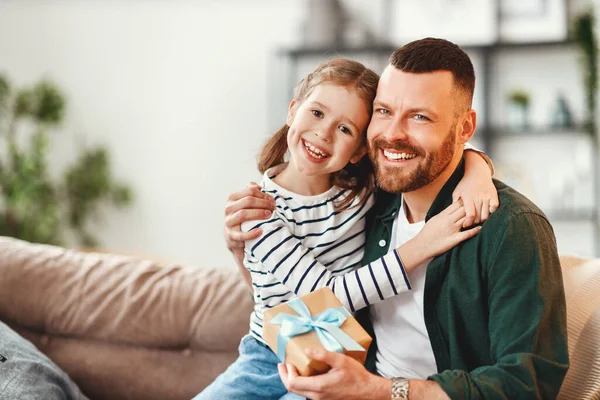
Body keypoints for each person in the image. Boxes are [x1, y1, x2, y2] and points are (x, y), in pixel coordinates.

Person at [224, 38, 569, 400]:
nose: (392, 135)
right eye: (384, 111)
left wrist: (382, 391)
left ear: (464, 129)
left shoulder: (510, 228)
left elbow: (527, 385)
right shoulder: (370, 196)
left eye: (420, 117)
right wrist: (240, 251)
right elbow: (309, 296)